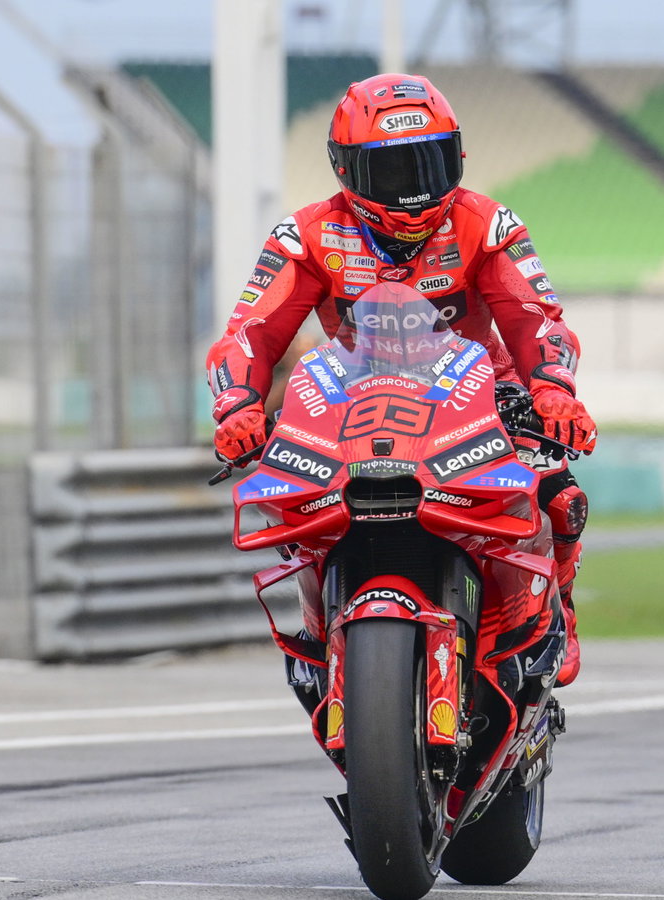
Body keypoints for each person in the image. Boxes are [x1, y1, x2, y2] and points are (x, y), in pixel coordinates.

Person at [205, 72, 596, 685]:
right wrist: (238, 408)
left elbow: (537, 321)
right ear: (346, 170)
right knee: (292, 510)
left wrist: (551, 393)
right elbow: (249, 332)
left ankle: (557, 611)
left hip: (479, 394)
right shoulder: (304, 235)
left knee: (557, 490)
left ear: (457, 157)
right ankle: (322, 633)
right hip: (348, 399)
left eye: (430, 164)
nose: (414, 190)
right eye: (391, 172)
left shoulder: (491, 226)